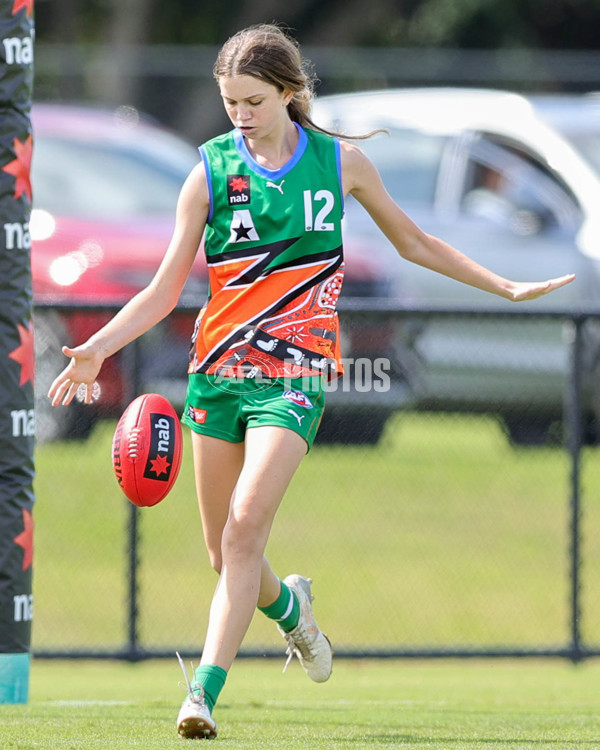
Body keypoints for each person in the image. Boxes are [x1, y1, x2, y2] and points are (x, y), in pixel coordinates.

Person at [48, 24, 575, 741]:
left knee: (243, 529)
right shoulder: (208, 172)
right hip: (218, 372)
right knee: (224, 551)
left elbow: (414, 242)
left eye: (254, 100)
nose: (240, 113)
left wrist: (504, 286)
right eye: (230, 100)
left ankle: (200, 696)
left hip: (295, 373)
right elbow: (165, 290)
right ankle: (293, 613)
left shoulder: (339, 163)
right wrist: (97, 350)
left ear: (291, 92)